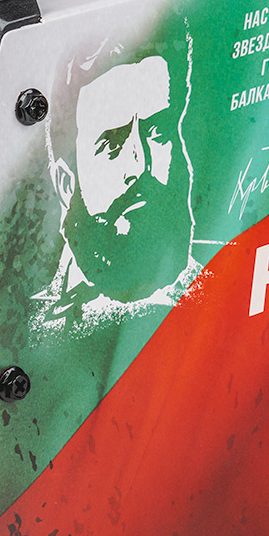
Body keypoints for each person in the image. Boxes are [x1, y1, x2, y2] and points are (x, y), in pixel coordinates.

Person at [34, 20, 199, 329]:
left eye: (158, 133)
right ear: (66, 183)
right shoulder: (19, 330)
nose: (139, 165)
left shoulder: (224, 298)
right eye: (111, 144)